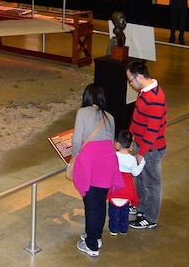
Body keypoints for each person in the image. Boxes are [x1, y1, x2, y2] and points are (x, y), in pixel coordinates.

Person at [71, 84, 124, 257]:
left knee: (91, 205)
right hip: (107, 162)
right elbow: (110, 142)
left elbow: (77, 141)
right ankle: (96, 236)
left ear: (87, 97)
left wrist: (72, 159)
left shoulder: (82, 113)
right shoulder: (110, 116)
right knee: (100, 203)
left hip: (90, 162)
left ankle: (91, 245)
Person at [125, 61, 167, 230]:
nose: (131, 84)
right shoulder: (144, 92)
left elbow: (152, 130)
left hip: (151, 149)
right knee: (141, 180)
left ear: (140, 77)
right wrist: (131, 139)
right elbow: (137, 118)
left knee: (152, 184)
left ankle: (150, 217)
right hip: (141, 145)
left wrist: (141, 153)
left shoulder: (155, 99)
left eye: (131, 80)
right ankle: (141, 207)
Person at [107, 130, 145, 235]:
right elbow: (136, 173)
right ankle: (123, 229)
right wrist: (141, 163)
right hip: (127, 188)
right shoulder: (132, 159)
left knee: (113, 211)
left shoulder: (113, 156)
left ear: (118, 143)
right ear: (130, 145)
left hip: (114, 187)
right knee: (124, 211)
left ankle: (113, 229)